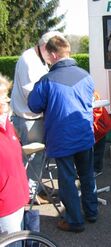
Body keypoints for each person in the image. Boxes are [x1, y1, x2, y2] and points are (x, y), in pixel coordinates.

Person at [28, 35, 98, 233]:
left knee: (67, 179)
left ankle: (75, 221)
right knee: (87, 175)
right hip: (85, 133)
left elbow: (34, 105)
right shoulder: (86, 75)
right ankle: (91, 212)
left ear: (52, 54)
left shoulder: (47, 80)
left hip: (62, 137)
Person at [10, 31, 64, 204]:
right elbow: (32, 95)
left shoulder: (38, 58)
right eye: (53, 50)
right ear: (44, 46)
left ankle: (36, 189)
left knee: (38, 157)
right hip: (29, 118)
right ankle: (30, 194)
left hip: (32, 117)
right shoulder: (29, 60)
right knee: (34, 157)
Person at [0, 74, 30, 235]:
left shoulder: (7, 125)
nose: (7, 100)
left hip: (17, 198)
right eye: (2, 96)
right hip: (4, 207)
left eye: (6, 94)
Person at [93, 91, 111, 177]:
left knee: (98, 149)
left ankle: (97, 169)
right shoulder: (93, 92)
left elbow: (96, 112)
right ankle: (96, 168)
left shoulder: (93, 94)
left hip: (99, 125)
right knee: (97, 149)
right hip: (100, 125)